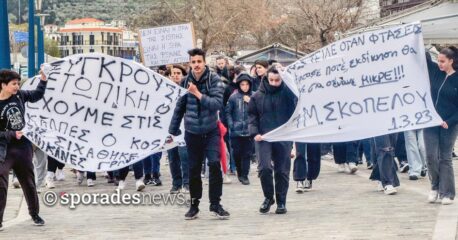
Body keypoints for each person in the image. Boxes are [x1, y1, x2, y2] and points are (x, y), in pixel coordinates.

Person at [169, 48, 230, 220]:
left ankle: (215, 204)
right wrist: (172, 130)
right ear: (190, 63)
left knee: (213, 165)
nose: (196, 65)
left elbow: (217, 104)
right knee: (193, 169)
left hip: (211, 131)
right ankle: (194, 205)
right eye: (193, 62)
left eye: (199, 62)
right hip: (192, 132)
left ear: (204, 62)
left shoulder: (214, 79)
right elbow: (179, 108)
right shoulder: (184, 81)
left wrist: (197, 93)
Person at [0, 69, 47, 230]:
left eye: (18, 83)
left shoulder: (19, 95)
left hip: (23, 148)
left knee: (29, 183)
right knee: (1, 185)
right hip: (4, 150)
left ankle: (34, 214)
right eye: (14, 84)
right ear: (3, 85)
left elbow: (36, 95)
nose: (17, 87)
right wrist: (12, 134)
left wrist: (43, 80)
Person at [248, 66, 297, 214]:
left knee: (282, 170)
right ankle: (268, 197)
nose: (274, 83)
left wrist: (288, 72)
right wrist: (254, 132)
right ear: (266, 78)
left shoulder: (288, 93)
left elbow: (299, 103)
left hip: (283, 136)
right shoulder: (257, 96)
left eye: (277, 80)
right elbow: (252, 116)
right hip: (263, 137)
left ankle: (281, 201)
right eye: (271, 80)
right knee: (264, 168)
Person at [424, 47, 458, 205]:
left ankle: (448, 193)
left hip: (448, 125)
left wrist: (449, 122)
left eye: (443, 61)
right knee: (431, 156)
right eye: (438, 60)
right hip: (431, 122)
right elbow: (424, 57)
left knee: (445, 158)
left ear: (451, 61)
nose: (440, 64)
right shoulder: (436, 72)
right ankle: (435, 186)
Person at [226, 73, 253, 185]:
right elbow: (228, 112)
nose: (245, 87)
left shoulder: (254, 96)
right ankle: (239, 172)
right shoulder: (233, 97)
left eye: (247, 84)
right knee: (236, 153)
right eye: (242, 84)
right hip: (236, 131)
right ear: (239, 85)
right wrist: (231, 125)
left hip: (249, 130)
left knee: (247, 154)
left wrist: (250, 102)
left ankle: (245, 175)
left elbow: (259, 111)